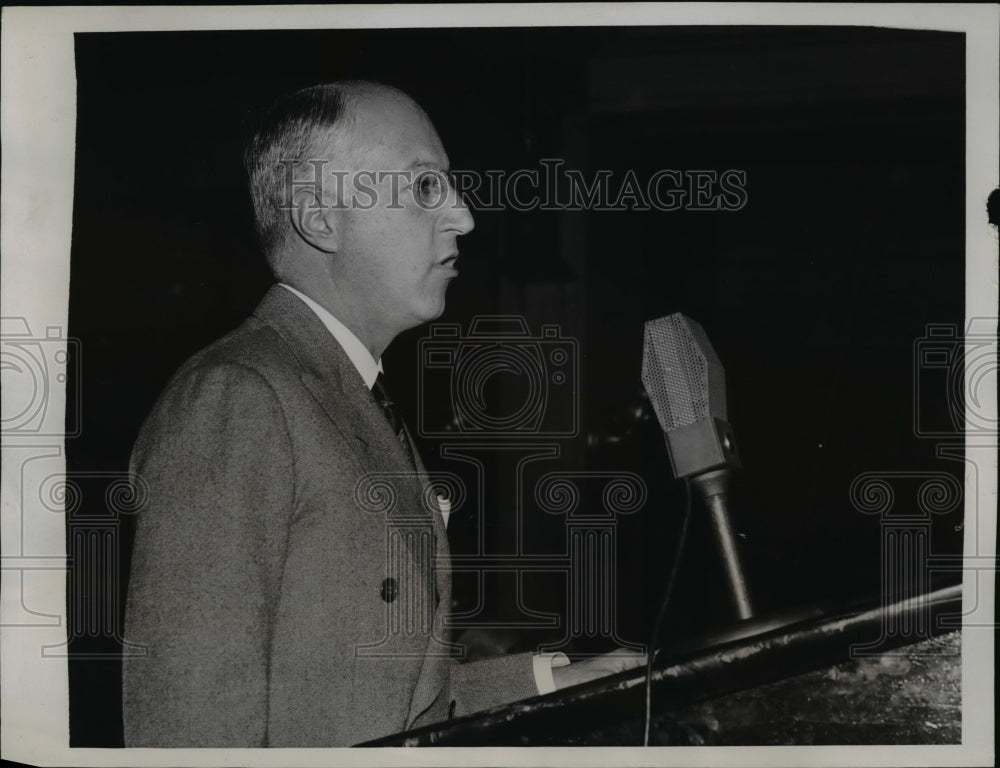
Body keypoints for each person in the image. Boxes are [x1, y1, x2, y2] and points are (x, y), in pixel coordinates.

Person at [122, 81, 641, 747]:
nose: (464, 216)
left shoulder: (345, 392)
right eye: (426, 187)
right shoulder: (237, 399)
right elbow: (188, 738)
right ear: (321, 218)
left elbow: (373, 701)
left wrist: (550, 680)